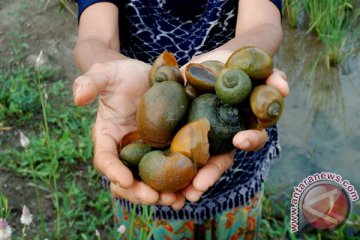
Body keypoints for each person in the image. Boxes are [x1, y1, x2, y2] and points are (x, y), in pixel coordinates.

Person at [73, 0, 289, 239]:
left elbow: (264, 25)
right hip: (144, 162)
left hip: (238, 155)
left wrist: (232, 62)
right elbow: (94, 38)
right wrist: (108, 65)